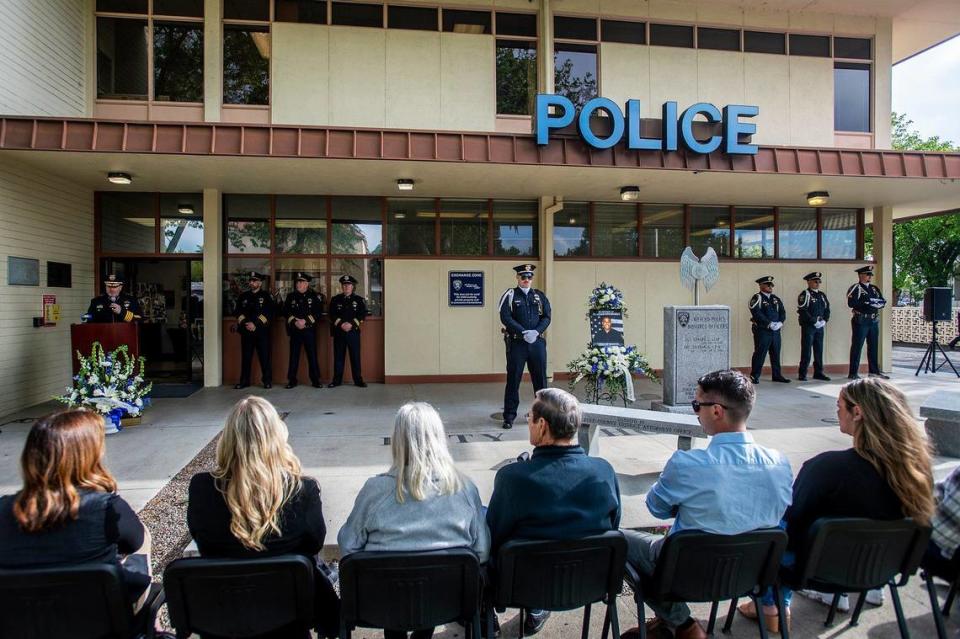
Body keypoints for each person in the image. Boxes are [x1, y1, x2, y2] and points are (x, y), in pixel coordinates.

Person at [739, 377, 935, 630]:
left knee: (772, 524)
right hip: (879, 570)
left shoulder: (826, 468)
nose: (837, 411)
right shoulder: (919, 474)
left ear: (858, 412)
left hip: (812, 570)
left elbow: (792, 526)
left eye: (839, 405)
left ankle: (770, 605)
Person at [622, 370, 793, 639]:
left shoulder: (687, 464)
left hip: (685, 571)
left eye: (696, 406)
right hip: (749, 571)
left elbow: (656, 507)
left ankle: (682, 623)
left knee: (620, 540)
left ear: (716, 411)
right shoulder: (780, 463)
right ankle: (670, 622)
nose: (695, 413)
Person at [187, 396, 338, 639]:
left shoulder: (203, 488)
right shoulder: (302, 490)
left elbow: (202, 539)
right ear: (277, 437)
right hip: (288, 618)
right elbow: (313, 544)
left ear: (228, 438)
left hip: (224, 617)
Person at [339, 402, 490, 639]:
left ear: (398, 440)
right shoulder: (464, 489)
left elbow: (348, 546)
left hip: (383, 602)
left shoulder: (375, 491)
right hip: (445, 601)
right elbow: (481, 551)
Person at [487, 388, 620, 635]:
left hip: (520, 585)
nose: (527, 421)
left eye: (529, 416)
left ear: (542, 425)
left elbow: (494, 538)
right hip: (588, 582)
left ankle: (485, 614)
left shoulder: (513, 479)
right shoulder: (604, 471)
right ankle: (536, 608)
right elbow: (613, 524)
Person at [0, 409, 153, 614]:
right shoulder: (106, 508)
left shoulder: (4, 510)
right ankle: (153, 624)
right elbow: (135, 542)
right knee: (143, 538)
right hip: (96, 620)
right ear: (88, 457)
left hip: (24, 622)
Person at [499, 264, 552, 429]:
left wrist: (536, 332)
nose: (526, 280)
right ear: (517, 278)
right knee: (513, 379)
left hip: (536, 343)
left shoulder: (539, 296)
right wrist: (523, 332)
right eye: (523, 277)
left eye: (529, 277)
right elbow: (505, 317)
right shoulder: (510, 295)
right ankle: (509, 416)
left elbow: (547, 316)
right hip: (517, 343)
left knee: (541, 380)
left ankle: (543, 415)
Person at [234, 271, 275, 390]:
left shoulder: (266, 296)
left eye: (254, 281)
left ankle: (267, 381)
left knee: (265, 358)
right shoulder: (243, 296)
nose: (252, 283)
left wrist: (255, 324)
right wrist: (246, 323)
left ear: (260, 283)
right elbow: (238, 312)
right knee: (246, 358)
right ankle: (244, 381)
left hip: (261, 332)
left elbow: (269, 313)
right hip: (246, 332)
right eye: (251, 281)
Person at [847, 265, 889, 379]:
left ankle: (874, 371)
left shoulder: (874, 288)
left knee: (873, 346)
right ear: (861, 275)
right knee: (857, 346)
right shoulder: (856, 288)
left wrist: (878, 303)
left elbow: (881, 300)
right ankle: (853, 372)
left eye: (870, 275)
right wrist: (866, 302)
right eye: (867, 274)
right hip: (861, 320)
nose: (869, 276)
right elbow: (851, 303)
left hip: (873, 320)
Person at [283, 272, 324, 389]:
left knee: (312, 355)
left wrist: (305, 321)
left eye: (301, 282)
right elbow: (285, 311)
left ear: (307, 284)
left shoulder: (314, 296)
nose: (299, 284)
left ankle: (315, 380)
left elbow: (318, 312)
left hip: (309, 331)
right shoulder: (291, 296)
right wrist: (295, 322)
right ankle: (292, 380)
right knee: (293, 356)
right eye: (298, 282)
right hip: (295, 331)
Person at [328, 274, 368, 388]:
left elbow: (362, 315)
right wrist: (341, 324)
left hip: (353, 333)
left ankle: (358, 380)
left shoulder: (359, 300)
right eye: (344, 285)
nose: (346, 287)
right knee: (338, 358)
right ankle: (336, 381)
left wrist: (351, 324)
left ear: (353, 286)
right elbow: (332, 314)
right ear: (342, 286)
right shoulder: (335, 300)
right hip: (339, 333)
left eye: (348, 285)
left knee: (355, 357)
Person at [749, 276, 790, 384]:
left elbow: (782, 312)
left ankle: (777, 375)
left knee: (776, 353)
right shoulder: (757, 298)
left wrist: (781, 322)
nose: (770, 286)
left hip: (775, 331)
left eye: (771, 285)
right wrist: (768, 323)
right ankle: (755, 375)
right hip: (763, 331)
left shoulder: (775, 298)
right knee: (760, 353)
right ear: (761, 285)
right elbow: (756, 312)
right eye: (767, 284)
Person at [796, 271, 831, 381]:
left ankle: (818, 372)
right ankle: (803, 373)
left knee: (819, 350)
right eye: (815, 281)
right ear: (809, 282)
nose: (817, 283)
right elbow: (803, 310)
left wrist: (825, 320)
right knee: (806, 350)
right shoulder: (805, 294)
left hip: (820, 326)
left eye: (818, 282)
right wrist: (813, 321)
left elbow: (827, 309)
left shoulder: (821, 295)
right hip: (809, 326)